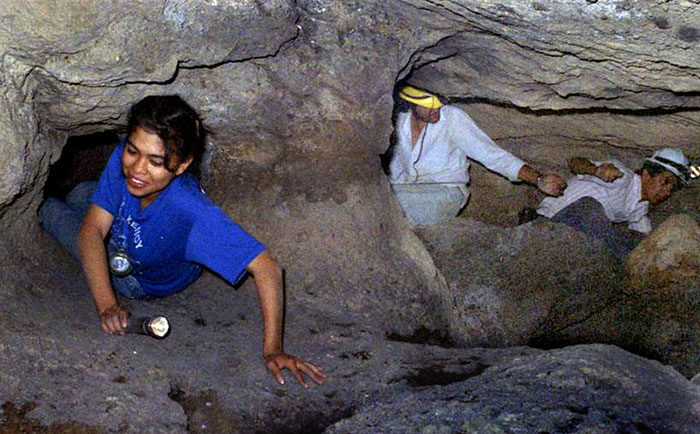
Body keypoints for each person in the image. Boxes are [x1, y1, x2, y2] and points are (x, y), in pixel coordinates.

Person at [39, 95, 326, 388]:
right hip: (131, 229)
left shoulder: (191, 211)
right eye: (133, 151)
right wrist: (106, 304)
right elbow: (93, 229)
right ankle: (84, 200)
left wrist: (273, 349)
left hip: (138, 277)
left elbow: (268, 267)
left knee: (49, 210)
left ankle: (44, 207)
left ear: (182, 164)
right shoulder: (130, 160)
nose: (138, 169)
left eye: (156, 162)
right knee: (79, 196)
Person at [387, 85, 567, 225]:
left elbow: (492, 155)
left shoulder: (452, 118)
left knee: (387, 203)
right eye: (429, 104)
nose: (437, 108)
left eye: (439, 102)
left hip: (445, 193)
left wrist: (538, 179)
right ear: (411, 102)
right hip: (406, 189)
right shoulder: (398, 122)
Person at [535, 147, 693, 260]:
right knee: (591, 208)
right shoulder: (622, 177)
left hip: (573, 240)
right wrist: (596, 170)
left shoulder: (640, 210)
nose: (667, 192)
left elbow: (647, 242)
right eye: (665, 182)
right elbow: (574, 162)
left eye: (672, 189)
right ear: (646, 173)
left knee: (638, 244)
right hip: (550, 223)